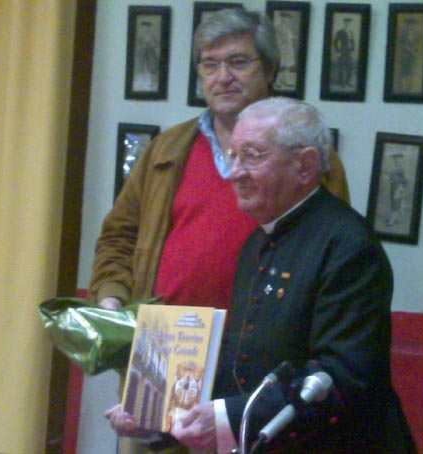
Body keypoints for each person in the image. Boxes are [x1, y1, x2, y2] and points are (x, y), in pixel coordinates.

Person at [91, 7, 349, 454]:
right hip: (166, 358)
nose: (222, 76)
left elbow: (331, 254)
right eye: (210, 65)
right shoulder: (166, 151)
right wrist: (113, 298)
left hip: (257, 371)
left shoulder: (305, 157)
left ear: (269, 70)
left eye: (238, 61)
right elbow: (118, 236)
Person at [106, 98, 416, 453]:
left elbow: (340, 379)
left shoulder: (348, 245)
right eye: (233, 155)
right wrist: (161, 413)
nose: (234, 171)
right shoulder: (257, 240)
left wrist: (226, 418)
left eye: (251, 156)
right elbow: (242, 361)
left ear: (305, 165)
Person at [333, 17, 355, 88]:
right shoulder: (340, 31)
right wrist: (337, 51)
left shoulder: (351, 32)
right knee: (341, 67)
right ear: (344, 23)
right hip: (342, 51)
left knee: (350, 67)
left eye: (349, 22)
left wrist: (352, 50)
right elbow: (335, 42)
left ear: (350, 23)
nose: (347, 23)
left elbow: (352, 42)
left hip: (349, 52)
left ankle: (347, 81)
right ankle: (341, 82)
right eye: (346, 22)